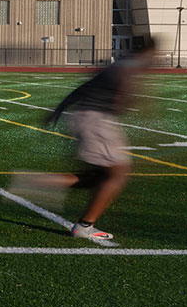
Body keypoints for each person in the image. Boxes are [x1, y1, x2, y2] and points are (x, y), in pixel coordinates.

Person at [27, 43, 159, 242]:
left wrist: (59, 109)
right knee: (117, 174)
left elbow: (82, 88)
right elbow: (122, 94)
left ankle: (37, 184)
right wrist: (128, 102)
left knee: (97, 177)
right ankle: (84, 226)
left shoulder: (119, 65)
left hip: (86, 118)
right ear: (148, 52)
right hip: (97, 120)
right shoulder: (129, 67)